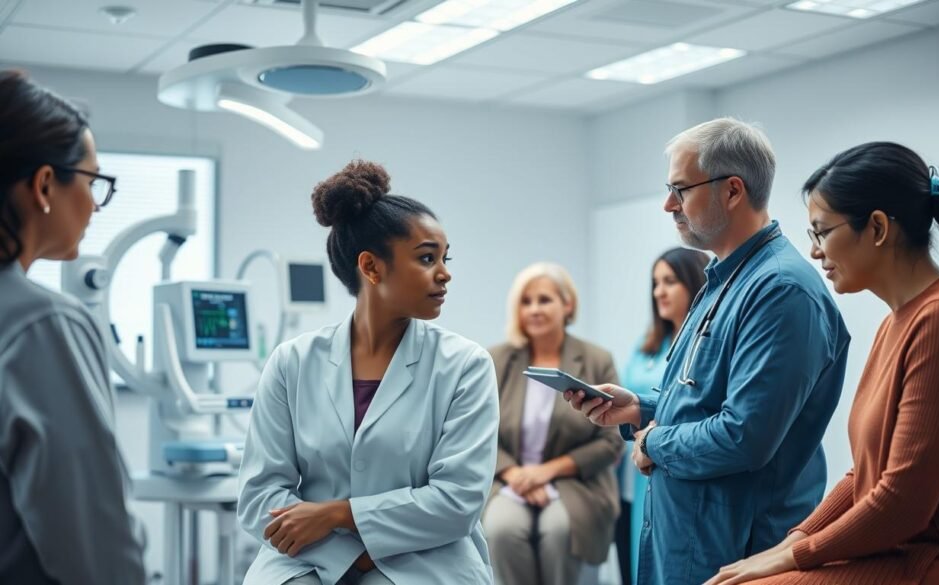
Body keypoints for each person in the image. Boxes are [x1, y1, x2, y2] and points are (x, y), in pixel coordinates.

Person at [707, 142, 939, 585]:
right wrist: (787, 545)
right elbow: (866, 475)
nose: (814, 252)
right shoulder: (901, 320)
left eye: (821, 232)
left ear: (877, 227)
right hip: (907, 552)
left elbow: (902, 503)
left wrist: (795, 556)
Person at [565, 117, 850, 585]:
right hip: (690, 542)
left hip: (733, 552)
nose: (668, 204)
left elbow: (745, 434)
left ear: (733, 191)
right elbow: (707, 400)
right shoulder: (724, 278)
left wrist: (653, 441)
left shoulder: (780, 290)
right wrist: (641, 409)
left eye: (681, 189)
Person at [237, 160, 500, 585]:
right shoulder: (292, 362)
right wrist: (346, 554)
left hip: (427, 561)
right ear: (372, 267)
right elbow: (259, 497)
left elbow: (457, 502)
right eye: (427, 258)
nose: (445, 273)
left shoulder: (466, 366)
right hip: (307, 560)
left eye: (444, 258)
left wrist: (338, 514)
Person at [0, 69, 145, 583]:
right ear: (44, 184)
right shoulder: (43, 323)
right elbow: (97, 552)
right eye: (93, 182)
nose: (94, 205)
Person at [484, 262, 623, 585]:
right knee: (501, 530)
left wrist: (545, 472)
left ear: (567, 304)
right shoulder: (496, 360)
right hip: (509, 481)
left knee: (558, 531)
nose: (534, 309)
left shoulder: (596, 360)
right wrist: (514, 473)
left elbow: (610, 441)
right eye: (526, 301)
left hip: (576, 483)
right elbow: (478, 432)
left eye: (544, 300)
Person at [617, 247, 708, 584]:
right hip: (637, 469)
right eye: (655, 283)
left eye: (670, 281)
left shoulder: (704, 344)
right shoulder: (647, 345)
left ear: (693, 282)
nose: (660, 291)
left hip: (676, 464)